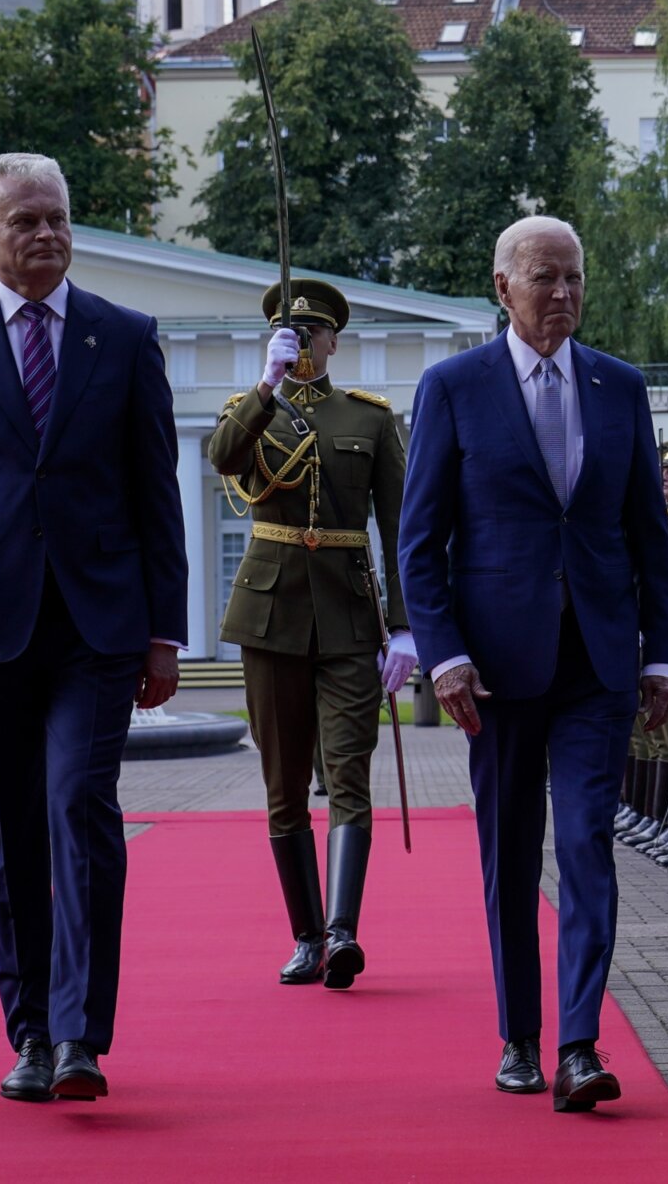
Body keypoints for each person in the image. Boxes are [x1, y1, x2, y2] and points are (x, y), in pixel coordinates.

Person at [0, 152, 188, 1104]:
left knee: (79, 808)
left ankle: (81, 1034)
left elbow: (156, 494)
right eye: (26, 222)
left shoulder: (125, 337)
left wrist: (165, 632)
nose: (47, 235)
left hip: (100, 627)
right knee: (10, 829)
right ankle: (28, 1035)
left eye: (57, 218)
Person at [398, 214, 668, 1113]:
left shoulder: (619, 387)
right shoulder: (453, 387)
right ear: (502, 287)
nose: (561, 294)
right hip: (495, 666)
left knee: (588, 843)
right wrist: (442, 656)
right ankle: (519, 1034)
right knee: (510, 852)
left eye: (573, 279)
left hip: (597, 661)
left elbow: (649, 534)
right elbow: (420, 545)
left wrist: (664, 657)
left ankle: (579, 1044)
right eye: (543, 278)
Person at [205, 281, 414, 990]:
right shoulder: (250, 412)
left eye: (311, 335)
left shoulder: (373, 420)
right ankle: (304, 934)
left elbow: (400, 529)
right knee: (284, 785)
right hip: (269, 617)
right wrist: (265, 384)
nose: (300, 346)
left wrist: (409, 629)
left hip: (351, 616)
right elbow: (224, 460)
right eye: (287, 337)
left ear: (333, 341)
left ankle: (343, 931)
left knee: (349, 776)